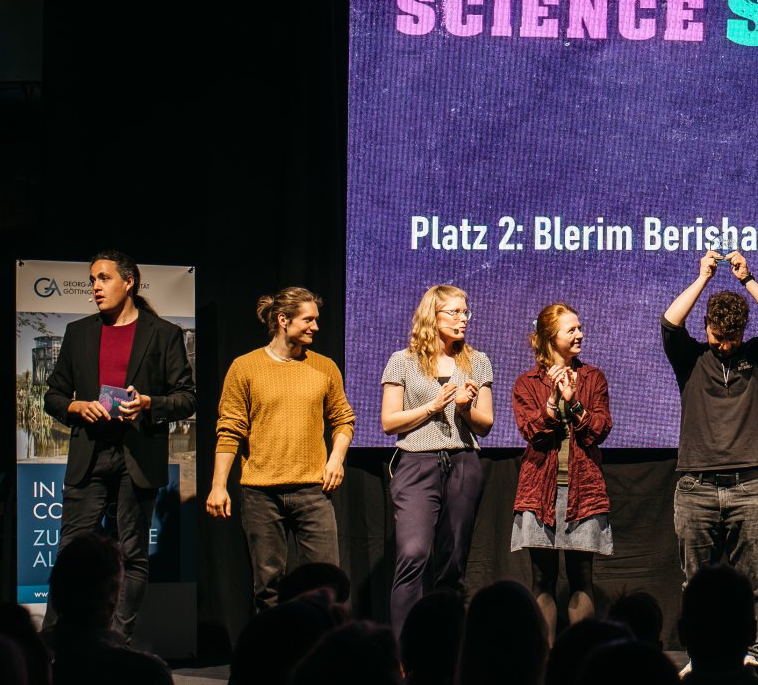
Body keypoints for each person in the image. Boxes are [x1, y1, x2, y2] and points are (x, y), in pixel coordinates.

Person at [43, 250, 196, 641]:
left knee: (132, 554)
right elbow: (53, 396)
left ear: (129, 282)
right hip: (90, 453)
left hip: (137, 455)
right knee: (72, 552)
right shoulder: (78, 332)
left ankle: (115, 644)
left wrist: (148, 403)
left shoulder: (163, 333)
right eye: (92, 279)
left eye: (104, 278)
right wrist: (76, 407)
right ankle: (54, 645)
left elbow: (186, 398)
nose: (95, 286)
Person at [662, 249, 758, 658]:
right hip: (696, 487)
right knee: (695, 584)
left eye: (731, 338)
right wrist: (703, 278)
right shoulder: (691, 359)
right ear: (707, 328)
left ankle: (749, 653)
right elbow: (669, 322)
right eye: (717, 336)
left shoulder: (757, 356)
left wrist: (747, 279)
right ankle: (700, 656)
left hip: (749, 486)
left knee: (751, 582)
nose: (723, 345)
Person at [207, 288, 355, 611]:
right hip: (261, 495)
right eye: (308, 320)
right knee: (268, 589)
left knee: (326, 584)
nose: (316, 326)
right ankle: (274, 644)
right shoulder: (245, 367)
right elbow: (230, 430)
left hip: (313, 490)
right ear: (283, 320)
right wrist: (218, 485)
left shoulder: (324, 367)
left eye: (316, 319)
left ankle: (321, 643)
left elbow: (344, 419)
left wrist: (336, 459)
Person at [380, 285, 493, 637]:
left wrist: (464, 408)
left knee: (453, 561)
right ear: (433, 315)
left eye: (465, 312)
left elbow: (485, 424)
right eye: (454, 312)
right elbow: (389, 422)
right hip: (417, 463)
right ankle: (405, 649)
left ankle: (446, 646)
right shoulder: (403, 360)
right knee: (413, 553)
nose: (463, 319)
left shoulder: (477, 361)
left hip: (463, 462)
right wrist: (433, 406)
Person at [511, 303, 612, 643]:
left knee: (582, 577)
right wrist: (554, 403)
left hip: (584, 491)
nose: (580, 334)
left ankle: (580, 659)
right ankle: (545, 660)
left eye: (580, 328)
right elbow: (532, 432)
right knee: (543, 579)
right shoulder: (527, 383)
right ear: (551, 337)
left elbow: (599, 430)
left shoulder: (593, 378)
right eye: (572, 330)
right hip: (540, 491)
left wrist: (576, 403)